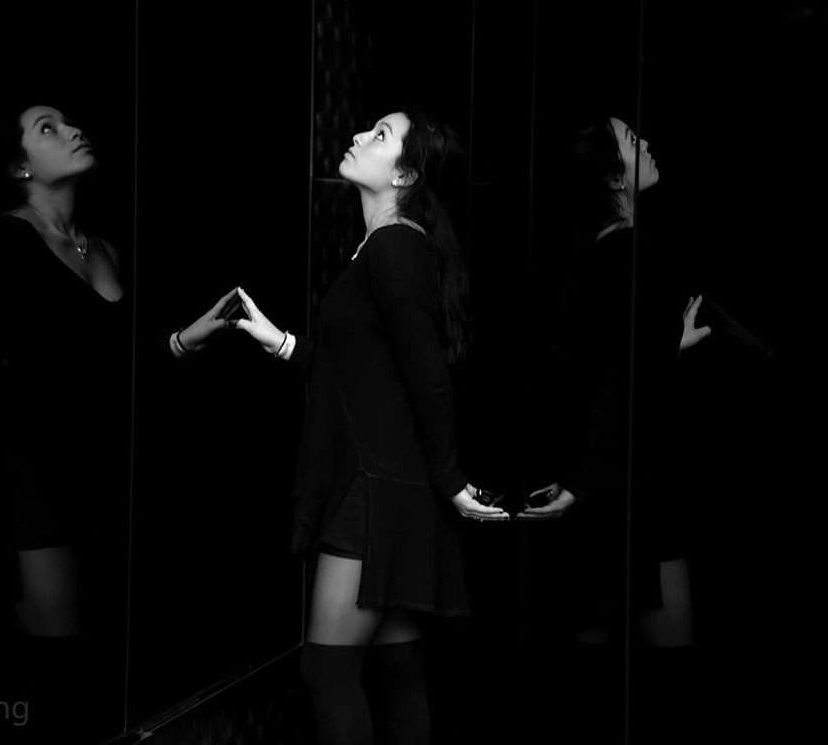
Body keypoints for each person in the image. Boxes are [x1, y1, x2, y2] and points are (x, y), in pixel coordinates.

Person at [0, 102, 237, 740]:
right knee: (55, 675)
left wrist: (181, 341)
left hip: (103, 477)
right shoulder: (4, 241)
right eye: (48, 128)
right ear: (20, 167)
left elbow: (116, 369)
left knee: (104, 666)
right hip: (34, 480)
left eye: (67, 121)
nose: (73, 130)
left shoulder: (105, 248)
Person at [234, 108, 508, 745]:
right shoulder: (391, 243)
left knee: (327, 670)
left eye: (380, 135)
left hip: (377, 492)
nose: (359, 135)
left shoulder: (395, 244)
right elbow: (362, 373)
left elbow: (428, 375)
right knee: (396, 669)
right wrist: (278, 342)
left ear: (405, 174)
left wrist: (452, 481)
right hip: (391, 484)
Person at [529, 116, 710, 743]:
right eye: (633, 141)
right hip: (631, 488)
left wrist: (667, 343)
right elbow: (612, 379)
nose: (647, 144)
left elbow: (608, 363)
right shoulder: (630, 252)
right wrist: (584, 480)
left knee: (592, 676)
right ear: (613, 179)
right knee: (662, 679)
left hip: (598, 486)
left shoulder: (595, 253)